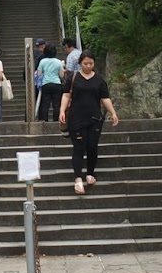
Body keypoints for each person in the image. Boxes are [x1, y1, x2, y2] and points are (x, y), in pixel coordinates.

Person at [59, 52, 118, 195]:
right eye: (85, 63)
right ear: (80, 63)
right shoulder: (73, 78)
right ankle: (78, 178)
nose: (88, 66)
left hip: (94, 118)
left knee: (92, 146)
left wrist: (113, 112)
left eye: (91, 63)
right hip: (76, 118)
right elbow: (66, 94)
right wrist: (62, 110)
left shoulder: (99, 80)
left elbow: (105, 97)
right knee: (79, 147)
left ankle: (90, 173)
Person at [34, 44, 64, 123]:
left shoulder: (43, 61)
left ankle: (44, 120)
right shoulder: (58, 62)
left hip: (46, 84)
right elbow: (61, 75)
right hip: (57, 84)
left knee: (45, 104)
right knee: (56, 104)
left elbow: (39, 73)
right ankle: (56, 120)